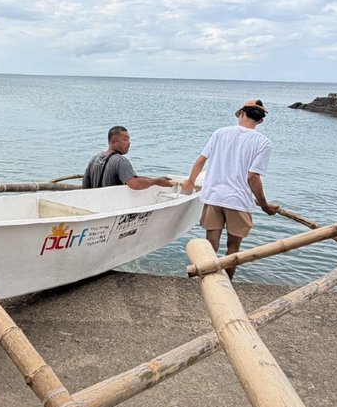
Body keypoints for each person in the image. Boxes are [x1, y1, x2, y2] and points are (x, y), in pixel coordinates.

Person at [181, 99, 277, 280]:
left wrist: (191, 181)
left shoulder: (220, 133)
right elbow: (253, 177)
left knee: (211, 245)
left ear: (241, 113)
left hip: (213, 196)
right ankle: (227, 284)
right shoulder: (263, 142)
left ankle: (208, 281)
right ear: (260, 120)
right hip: (238, 200)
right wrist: (264, 205)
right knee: (233, 249)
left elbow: (201, 161)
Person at [81, 126, 176, 190]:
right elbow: (135, 184)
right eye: (125, 140)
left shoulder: (94, 159)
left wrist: (154, 179)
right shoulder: (120, 161)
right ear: (113, 142)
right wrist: (157, 181)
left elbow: (85, 188)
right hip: (113, 207)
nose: (129, 143)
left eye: (129, 140)